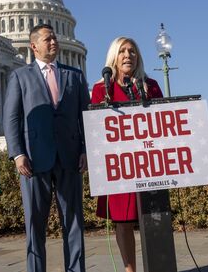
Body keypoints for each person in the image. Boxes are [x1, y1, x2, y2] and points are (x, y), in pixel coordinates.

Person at [3, 24, 89, 272]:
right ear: (34, 46)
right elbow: (12, 118)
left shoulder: (75, 75)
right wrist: (17, 153)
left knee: (74, 223)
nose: (54, 42)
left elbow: (85, 116)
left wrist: (84, 149)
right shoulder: (20, 76)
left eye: (55, 38)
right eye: (47, 39)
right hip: (33, 159)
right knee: (34, 225)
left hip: (70, 157)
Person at [91, 37, 163, 272]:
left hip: (148, 163)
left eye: (132, 51)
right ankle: (129, 269)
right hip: (119, 166)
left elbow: (163, 119)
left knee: (153, 219)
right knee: (123, 221)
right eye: (122, 51)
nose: (127, 55)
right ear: (114, 56)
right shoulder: (102, 89)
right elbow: (95, 128)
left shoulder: (149, 85)